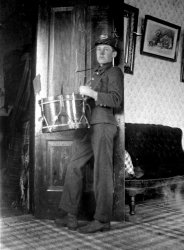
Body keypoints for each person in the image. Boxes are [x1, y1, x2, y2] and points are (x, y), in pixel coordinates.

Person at [55, 34, 124, 234]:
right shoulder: (95, 73)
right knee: (74, 165)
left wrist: (92, 93)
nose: (101, 52)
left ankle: (102, 220)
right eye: (99, 48)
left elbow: (116, 100)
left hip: (103, 125)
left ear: (114, 53)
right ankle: (71, 215)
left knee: (102, 172)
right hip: (87, 125)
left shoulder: (114, 72)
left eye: (106, 49)